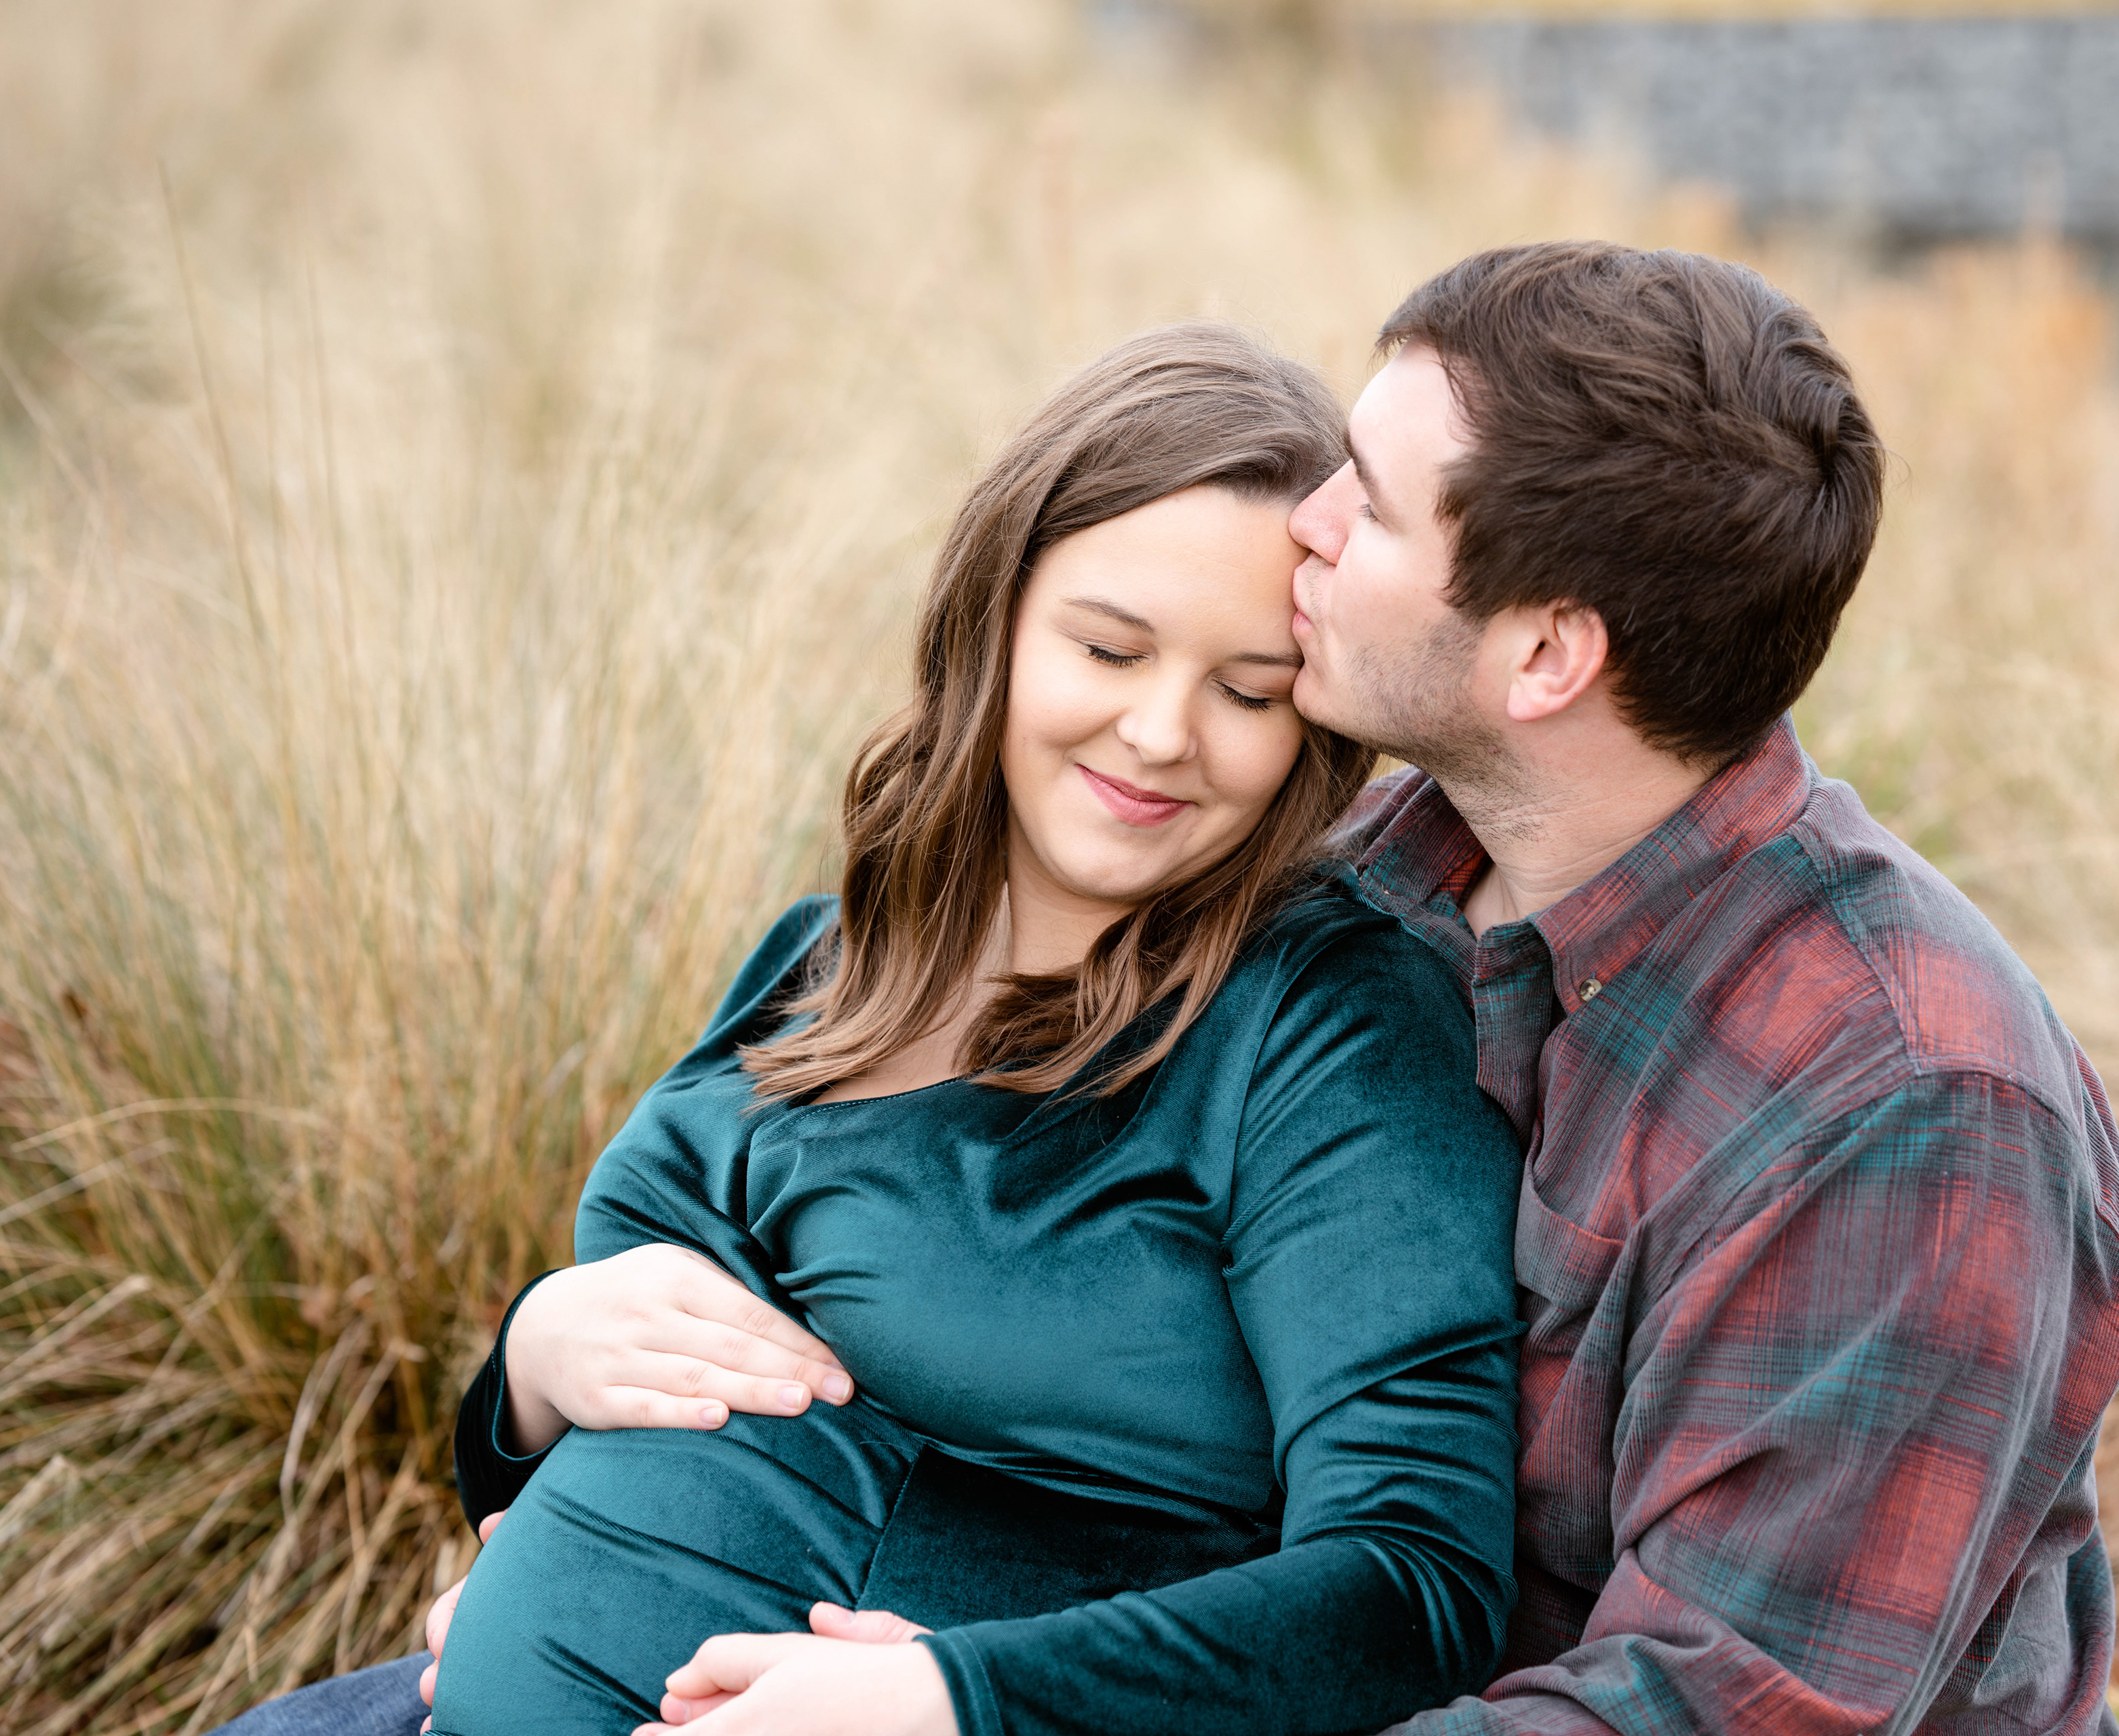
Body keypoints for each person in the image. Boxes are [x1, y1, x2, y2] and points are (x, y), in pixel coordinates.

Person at [237, 241, 2119, 1736]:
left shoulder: (1902, 1102)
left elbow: (1714, 1709)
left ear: (1549, 654)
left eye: (1373, 510)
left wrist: (980, 1702)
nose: (1310, 528)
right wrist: (560, 1469)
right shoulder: (1398, 869)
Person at [226, 322, 1531, 1736]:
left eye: (1246, 691)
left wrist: (949, 1694)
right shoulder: (828, 961)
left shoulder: (1329, 1023)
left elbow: (1416, 1588)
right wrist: (531, 1367)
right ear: (995, 616)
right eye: (1109, 645)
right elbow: (626, 1415)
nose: (1162, 730)